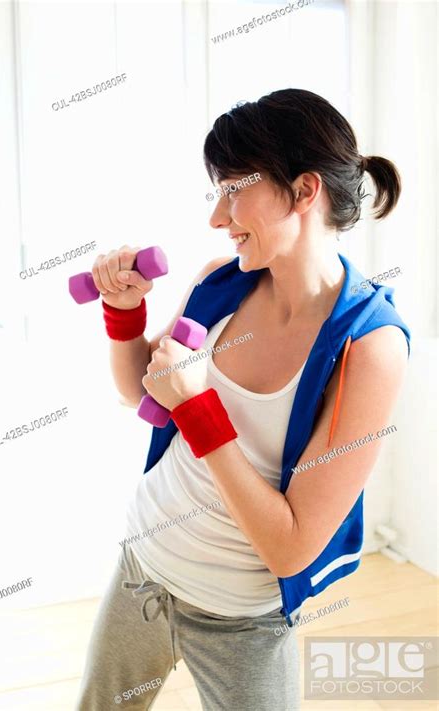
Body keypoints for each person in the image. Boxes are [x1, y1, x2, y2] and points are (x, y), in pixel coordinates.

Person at [77, 88, 410, 710]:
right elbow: (140, 393)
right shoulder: (219, 283)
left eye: (234, 188)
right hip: (144, 567)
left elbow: (291, 545)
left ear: (305, 190)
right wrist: (124, 314)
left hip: (242, 616)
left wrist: (201, 409)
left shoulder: (370, 347)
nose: (217, 216)